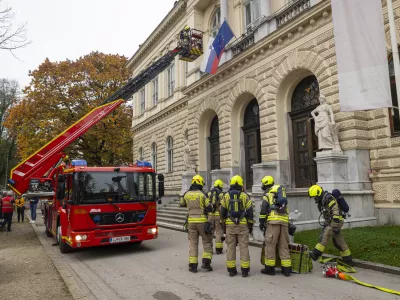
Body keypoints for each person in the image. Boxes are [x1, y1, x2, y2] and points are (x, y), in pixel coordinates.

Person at [308, 185, 353, 266]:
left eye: (315, 197)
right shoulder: (323, 200)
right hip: (332, 221)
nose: (315, 199)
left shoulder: (328, 198)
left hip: (336, 220)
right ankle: (348, 260)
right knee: (338, 241)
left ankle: (316, 254)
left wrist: (335, 225)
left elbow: (335, 209)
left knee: (326, 234)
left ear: (318, 194)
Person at [220, 175, 254, 277]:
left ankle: (231, 270)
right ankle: (244, 270)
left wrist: (224, 224)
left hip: (230, 225)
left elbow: (222, 212)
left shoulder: (226, 196)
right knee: (244, 246)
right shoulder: (244, 196)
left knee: (230, 247)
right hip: (242, 225)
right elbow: (250, 211)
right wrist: (250, 224)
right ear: (241, 184)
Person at [180, 174, 213, 273]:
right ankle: (206, 263)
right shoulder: (203, 194)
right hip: (202, 221)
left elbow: (181, 203)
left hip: (191, 222)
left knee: (193, 243)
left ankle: (193, 266)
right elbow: (209, 207)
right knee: (207, 241)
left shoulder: (187, 194)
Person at [259, 176, 291, 277]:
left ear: (265, 184)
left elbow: (264, 210)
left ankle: (270, 269)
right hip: (284, 222)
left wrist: (261, 221)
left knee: (270, 245)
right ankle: (286, 270)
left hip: (273, 223)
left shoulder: (267, 195)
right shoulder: (281, 193)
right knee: (284, 245)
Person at [208, 179, 225, 254]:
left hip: (210, 215)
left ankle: (209, 249)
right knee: (219, 231)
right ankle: (218, 249)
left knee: (210, 232)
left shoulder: (209, 194)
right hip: (219, 215)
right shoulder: (222, 194)